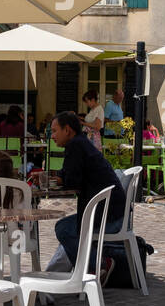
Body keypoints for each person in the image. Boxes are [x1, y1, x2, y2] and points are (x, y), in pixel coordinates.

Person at [50, 111, 121, 281]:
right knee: (65, 226)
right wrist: (59, 176)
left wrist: (57, 179)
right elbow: (71, 173)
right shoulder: (81, 143)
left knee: (64, 229)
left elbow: (72, 181)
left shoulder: (75, 145)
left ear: (67, 130)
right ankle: (87, 269)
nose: (52, 136)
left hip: (108, 216)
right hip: (114, 211)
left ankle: (96, 266)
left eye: (54, 131)